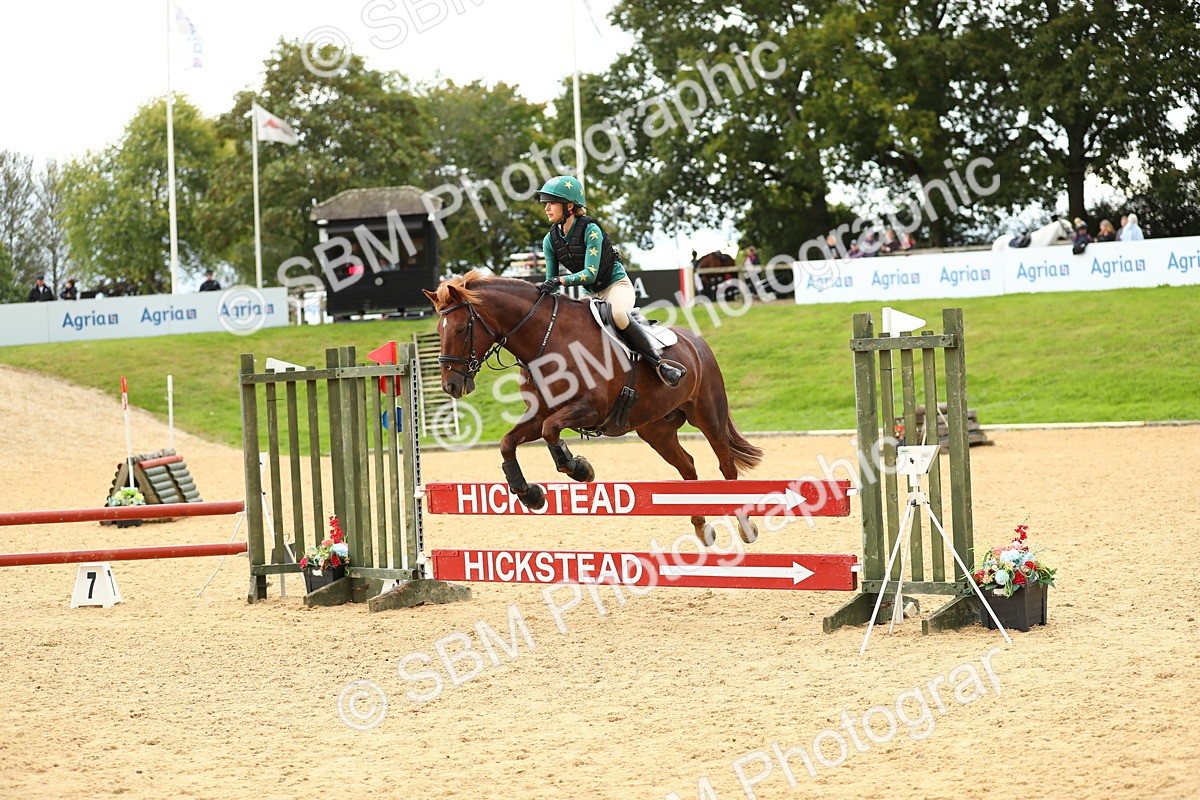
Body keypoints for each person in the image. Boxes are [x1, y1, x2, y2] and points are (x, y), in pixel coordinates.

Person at [536, 175, 684, 387]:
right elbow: (551, 280)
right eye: (546, 203)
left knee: (617, 315)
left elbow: (590, 274)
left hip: (615, 286)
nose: (546, 208)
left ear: (569, 206)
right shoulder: (550, 240)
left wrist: (559, 281)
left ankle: (660, 364)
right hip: (591, 294)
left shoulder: (590, 230)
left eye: (551, 203)